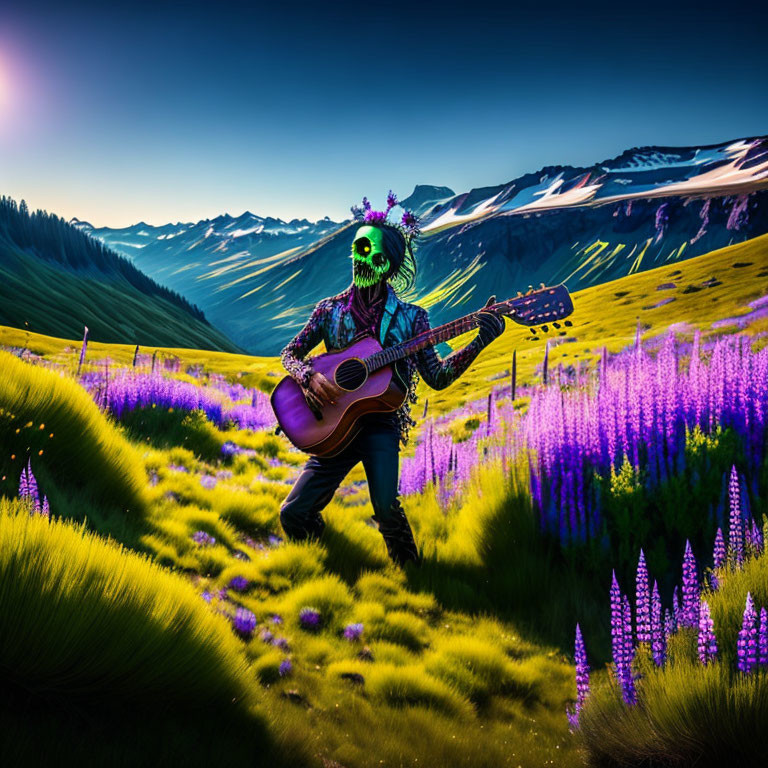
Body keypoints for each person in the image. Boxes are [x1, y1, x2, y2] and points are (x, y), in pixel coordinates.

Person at [278, 192, 505, 567]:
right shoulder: (328, 310)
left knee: (386, 509)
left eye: (371, 253)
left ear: (388, 264)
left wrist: (479, 340)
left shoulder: (412, 319)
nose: (360, 258)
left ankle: (413, 576)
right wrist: (305, 377)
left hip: (380, 425)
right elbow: (290, 353)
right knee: (293, 514)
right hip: (332, 423)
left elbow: (438, 376)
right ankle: (325, 559)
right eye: (357, 249)